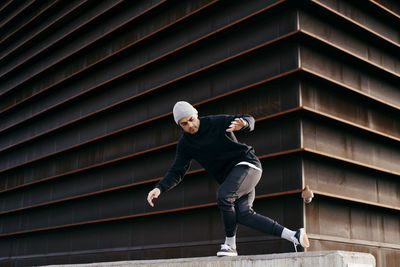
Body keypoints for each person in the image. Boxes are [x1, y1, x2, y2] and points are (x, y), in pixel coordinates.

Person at [147, 101, 309, 256]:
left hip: (248, 166)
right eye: (184, 124)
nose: (190, 125)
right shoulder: (185, 144)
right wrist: (159, 188)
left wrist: (244, 124)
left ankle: (230, 245)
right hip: (234, 180)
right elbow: (177, 171)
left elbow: (249, 119)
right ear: (179, 125)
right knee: (244, 214)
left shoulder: (215, 122)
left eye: (191, 119)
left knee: (224, 196)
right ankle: (293, 235)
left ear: (196, 114)